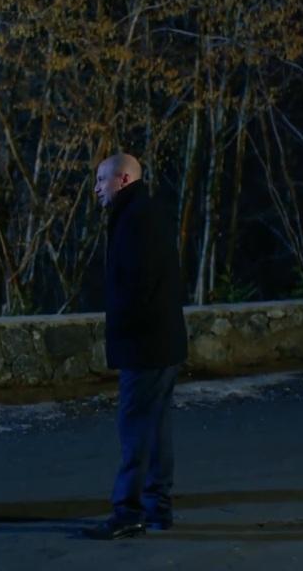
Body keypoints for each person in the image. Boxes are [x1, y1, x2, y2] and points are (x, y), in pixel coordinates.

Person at [84, 153, 188, 540]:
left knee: (136, 428)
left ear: (123, 180)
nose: (96, 188)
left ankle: (128, 511)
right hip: (160, 342)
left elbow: (136, 286)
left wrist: (125, 331)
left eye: (102, 180)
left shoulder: (134, 219)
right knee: (155, 427)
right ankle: (157, 508)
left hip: (145, 345)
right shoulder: (145, 213)